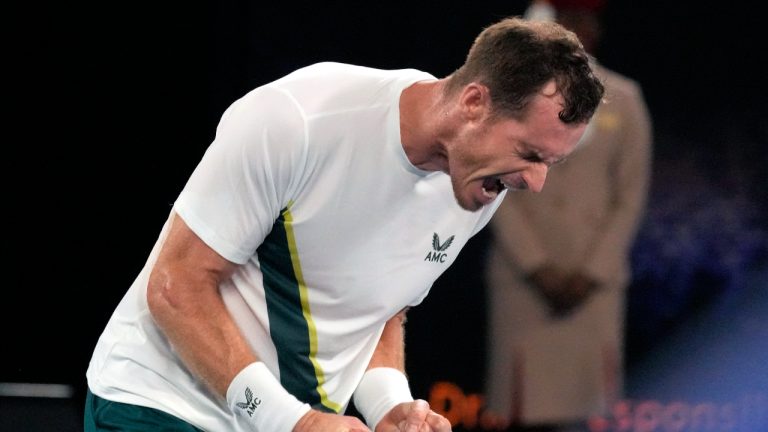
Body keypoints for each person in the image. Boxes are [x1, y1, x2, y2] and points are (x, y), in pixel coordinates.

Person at [84, 16, 604, 432]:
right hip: (160, 406)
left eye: (550, 163)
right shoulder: (298, 119)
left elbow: (379, 311)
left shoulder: (479, 180)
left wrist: (389, 408)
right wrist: (292, 420)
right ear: (474, 103)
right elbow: (176, 286)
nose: (536, 182)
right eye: (530, 154)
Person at [481, 2, 652, 431]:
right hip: (525, 282)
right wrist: (536, 266)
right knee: (523, 410)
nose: (577, 31)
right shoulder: (508, 100)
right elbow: (493, 185)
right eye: (566, 20)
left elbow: (629, 197)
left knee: (585, 412)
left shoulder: (624, 99)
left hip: (591, 287)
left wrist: (592, 272)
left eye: (584, 21)